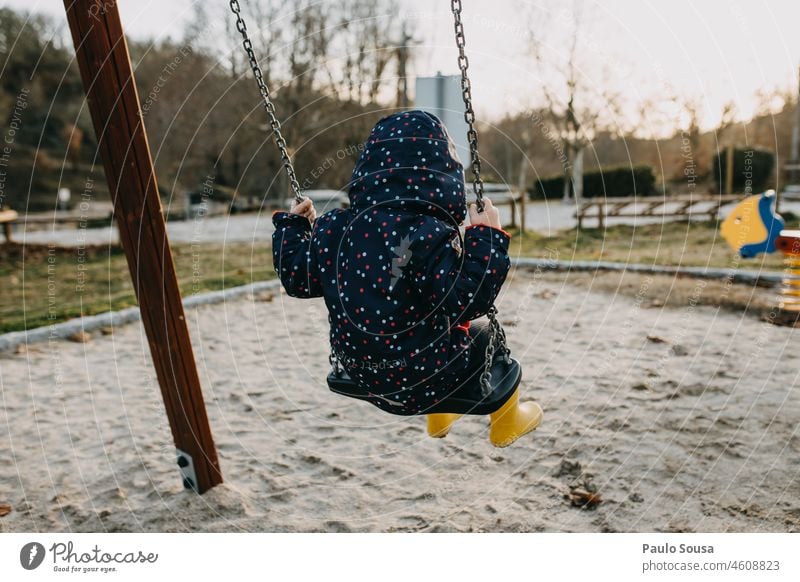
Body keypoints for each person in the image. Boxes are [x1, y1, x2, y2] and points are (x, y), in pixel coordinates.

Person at [272, 110, 542, 447]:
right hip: (429, 380)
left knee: (429, 328)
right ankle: (506, 423)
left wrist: (294, 227)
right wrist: (486, 236)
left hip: (362, 374)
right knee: (486, 336)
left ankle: (441, 417)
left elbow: (297, 279)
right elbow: (469, 301)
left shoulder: (333, 228)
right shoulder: (428, 235)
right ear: (443, 175)